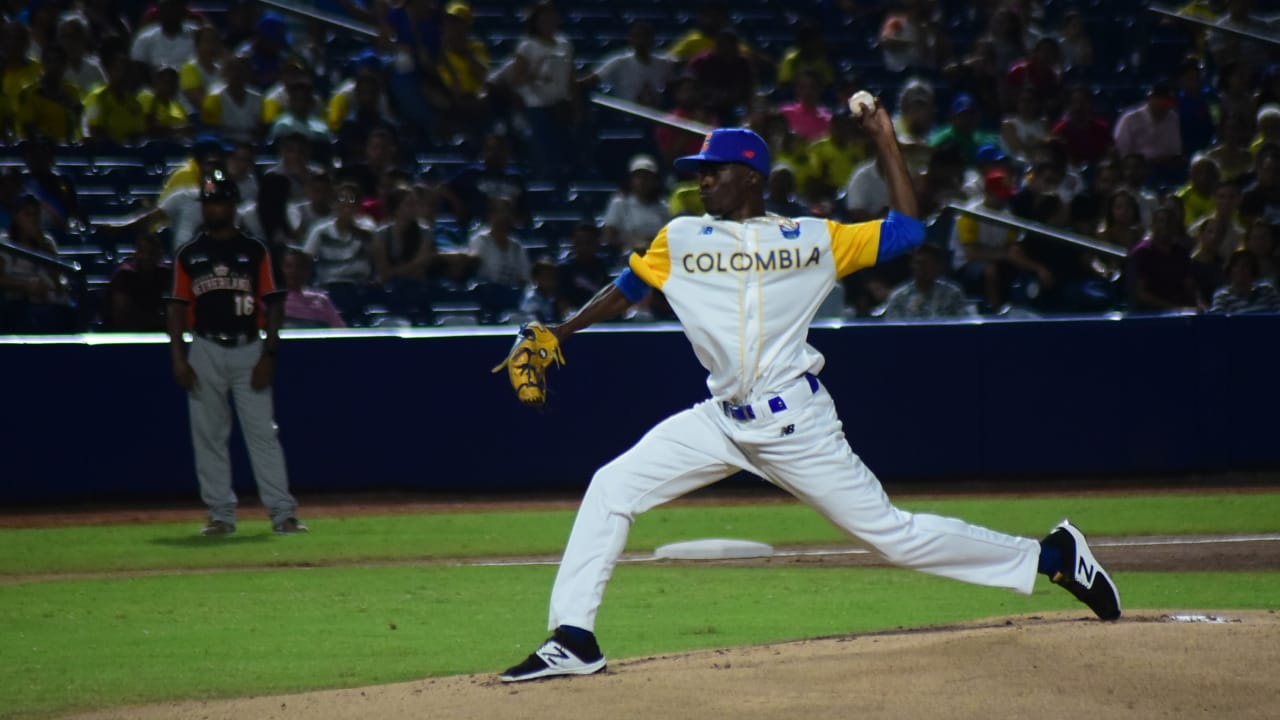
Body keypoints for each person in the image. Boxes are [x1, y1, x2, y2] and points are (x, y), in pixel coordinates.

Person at [498, 118, 1121, 683]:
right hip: (719, 420)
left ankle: (1051, 556)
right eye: (699, 172)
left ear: (750, 177)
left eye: (713, 171)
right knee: (612, 485)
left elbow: (906, 231)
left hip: (794, 423)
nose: (701, 180)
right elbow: (626, 288)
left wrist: (883, 138)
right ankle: (574, 637)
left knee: (892, 537)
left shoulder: (812, 240)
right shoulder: (681, 236)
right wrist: (559, 332)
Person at [165, 170, 307, 536]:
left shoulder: (254, 250)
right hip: (206, 346)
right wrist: (179, 358)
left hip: (248, 345)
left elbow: (274, 304)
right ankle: (220, 515)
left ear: (231, 204)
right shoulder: (190, 254)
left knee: (262, 434)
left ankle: (282, 513)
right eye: (209, 202)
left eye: (220, 201)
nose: (214, 208)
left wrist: (269, 355)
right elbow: (178, 308)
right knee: (209, 435)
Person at [881, 242, 972, 320]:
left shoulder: (952, 294)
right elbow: (893, 327)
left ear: (938, 266)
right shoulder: (899, 296)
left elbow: (962, 322)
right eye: (918, 263)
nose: (921, 268)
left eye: (927, 263)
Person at [601, 155, 669, 258]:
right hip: (625, 259)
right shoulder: (619, 203)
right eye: (638, 177)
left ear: (655, 181)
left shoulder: (664, 206)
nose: (643, 181)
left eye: (647, 177)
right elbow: (608, 236)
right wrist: (631, 244)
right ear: (631, 180)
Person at [106, 231, 172, 331]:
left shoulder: (166, 274)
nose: (147, 257)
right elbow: (121, 315)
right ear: (136, 253)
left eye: (152, 252)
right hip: (128, 335)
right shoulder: (124, 275)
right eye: (143, 251)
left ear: (159, 254)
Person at [281, 247, 346, 328]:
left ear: (307, 271)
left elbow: (340, 331)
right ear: (282, 269)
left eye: (299, 267)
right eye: (289, 266)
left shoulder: (321, 301)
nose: (294, 271)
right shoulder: (272, 301)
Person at [1209, 248, 1280, 313]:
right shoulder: (1222, 296)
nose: (1240, 269)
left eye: (1245, 265)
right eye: (1236, 266)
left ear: (1253, 269)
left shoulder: (1267, 291)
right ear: (1230, 270)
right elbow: (1218, 322)